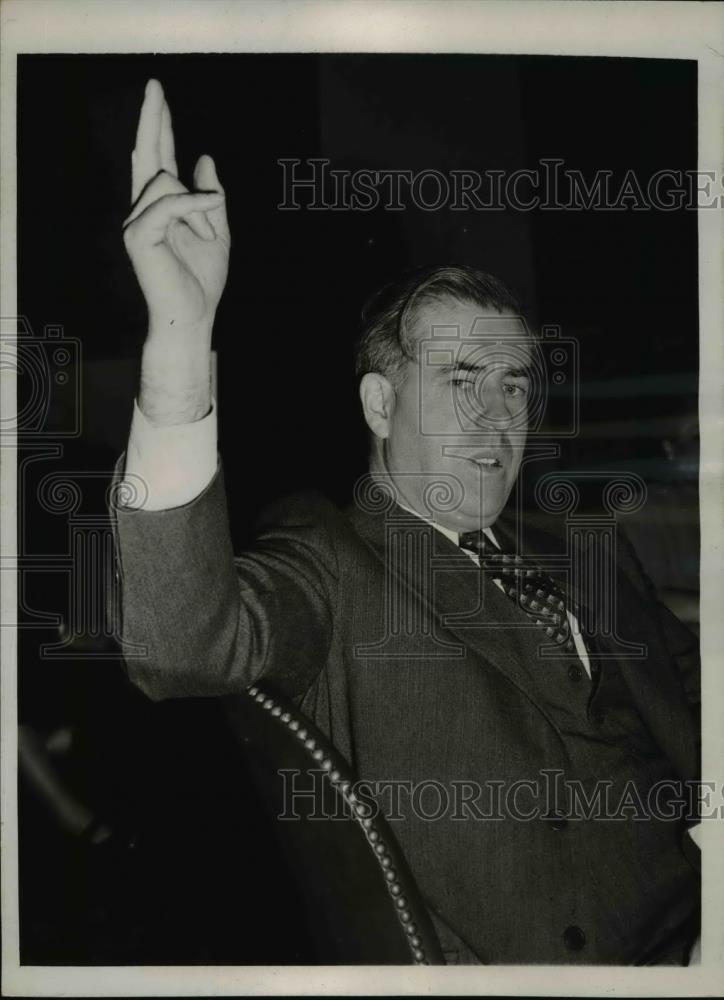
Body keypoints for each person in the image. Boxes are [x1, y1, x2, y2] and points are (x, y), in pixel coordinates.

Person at [113, 79, 701, 964]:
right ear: (381, 404)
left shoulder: (575, 544)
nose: (499, 418)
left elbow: (685, 676)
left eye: (514, 387)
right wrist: (179, 340)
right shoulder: (333, 557)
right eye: (462, 381)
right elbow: (178, 645)